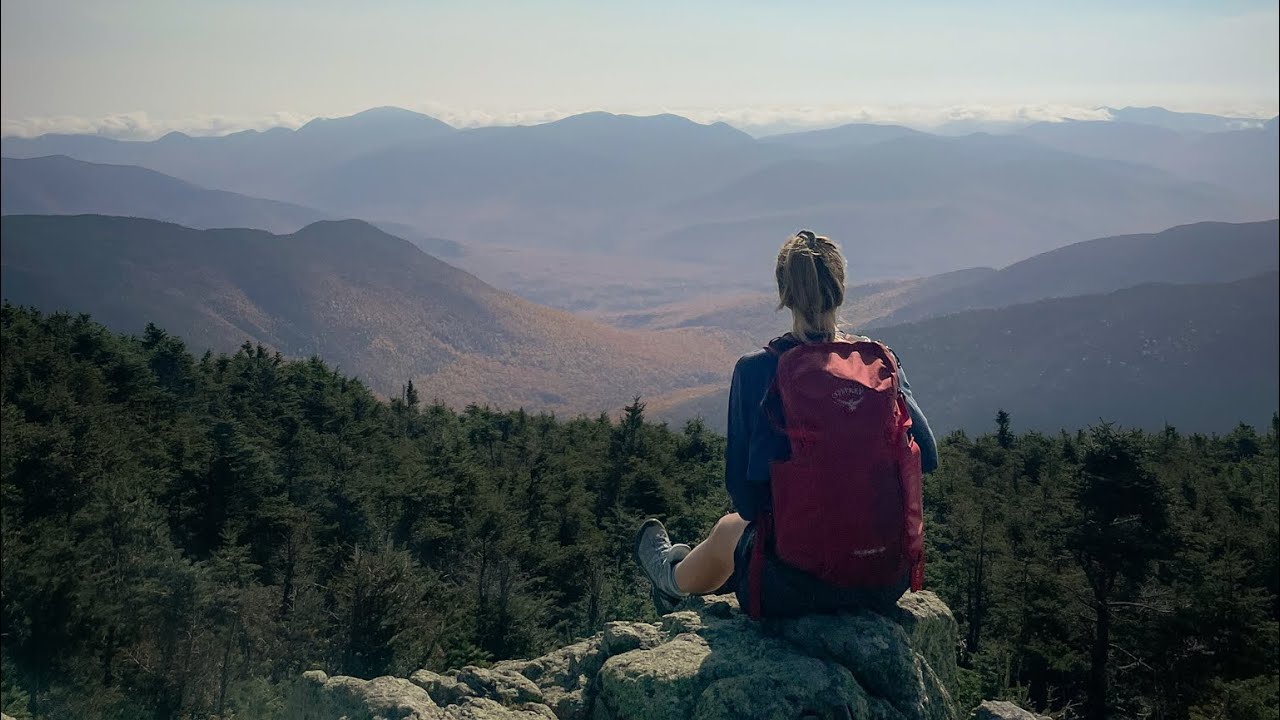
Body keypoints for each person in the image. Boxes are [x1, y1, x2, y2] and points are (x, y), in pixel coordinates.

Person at [635, 230, 939, 618]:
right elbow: (926, 457)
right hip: (883, 580)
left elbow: (746, 499)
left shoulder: (757, 370)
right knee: (740, 530)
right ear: (841, 288)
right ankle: (680, 575)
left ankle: (669, 579)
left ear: (784, 291)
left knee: (733, 527)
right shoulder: (881, 365)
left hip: (795, 586)